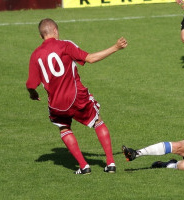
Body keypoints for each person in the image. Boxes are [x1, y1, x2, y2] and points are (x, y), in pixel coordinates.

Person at [26, 18, 128, 174]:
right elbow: (91, 58)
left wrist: (33, 94)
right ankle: (110, 163)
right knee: (97, 121)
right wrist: (115, 47)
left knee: (64, 127)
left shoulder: (35, 55)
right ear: (56, 31)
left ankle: (83, 166)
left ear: (40, 36)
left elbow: (31, 85)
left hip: (56, 103)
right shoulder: (65, 45)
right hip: (76, 96)